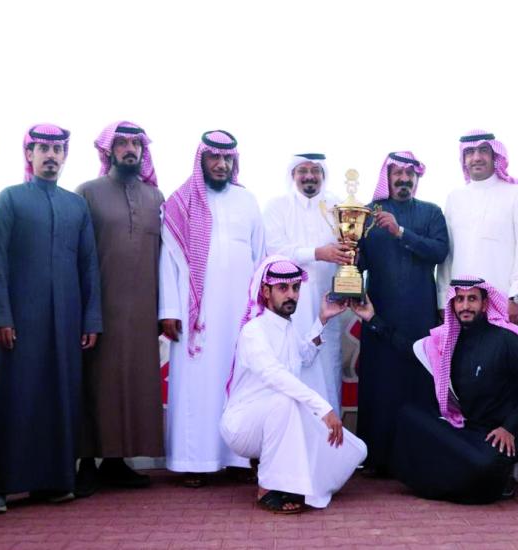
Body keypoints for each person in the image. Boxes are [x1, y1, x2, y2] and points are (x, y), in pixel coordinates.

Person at [0, 124, 102, 512]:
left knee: (60, 399)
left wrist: (91, 319)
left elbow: (88, 265)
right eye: (44, 149)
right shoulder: (10, 198)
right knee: (15, 398)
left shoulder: (76, 205)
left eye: (58, 149)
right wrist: (1, 317)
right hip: (20, 321)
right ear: (29, 154)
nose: (51, 155)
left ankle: (53, 482)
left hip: (67, 321)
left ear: (65, 156)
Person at [351, 277, 518, 503]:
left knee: (484, 464)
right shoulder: (448, 343)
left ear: (485, 304)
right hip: (468, 432)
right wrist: (372, 319)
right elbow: (408, 349)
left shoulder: (506, 340)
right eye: (460, 299)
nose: (465, 306)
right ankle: (475, 480)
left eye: (472, 299)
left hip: (502, 437)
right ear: (452, 304)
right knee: (408, 417)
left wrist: (510, 428)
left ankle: (486, 478)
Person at [159, 130, 265, 487]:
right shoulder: (180, 202)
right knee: (197, 387)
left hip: (240, 313)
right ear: (201, 159)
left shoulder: (247, 200)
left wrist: (261, 308)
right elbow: (168, 261)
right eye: (214, 157)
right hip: (197, 315)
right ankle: (194, 462)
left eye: (227, 158)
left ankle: (238, 457)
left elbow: (260, 256)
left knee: (239, 382)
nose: (221, 164)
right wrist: (169, 310)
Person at [221, 256, 366, 513]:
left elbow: (305, 356)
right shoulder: (254, 331)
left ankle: (292, 479)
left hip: (277, 418)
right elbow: (275, 375)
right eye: (283, 288)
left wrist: (322, 319)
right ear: (266, 292)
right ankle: (267, 487)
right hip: (242, 425)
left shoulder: (287, 328)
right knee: (286, 401)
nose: (291, 295)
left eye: (296, 288)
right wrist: (323, 408)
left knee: (355, 450)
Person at [74, 122, 165, 496]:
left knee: (130, 384)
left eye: (136, 144)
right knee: (95, 383)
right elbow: (78, 255)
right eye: (122, 143)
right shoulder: (88, 192)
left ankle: (115, 462)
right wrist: (85, 311)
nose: (130, 149)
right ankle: (85, 463)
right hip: (100, 309)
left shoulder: (156, 197)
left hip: (143, 311)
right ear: (108, 150)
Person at [354, 151, 448, 475]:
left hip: (420, 316)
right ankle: (377, 459)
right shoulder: (368, 213)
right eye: (398, 174)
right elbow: (359, 263)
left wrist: (401, 233)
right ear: (388, 177)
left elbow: (439, 251)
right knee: (380, 384)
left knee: (416, 384)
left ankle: (415, 458)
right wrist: (351, 260)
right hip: (379, 314)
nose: (404, 180)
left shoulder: (431, 212)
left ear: (417, 179)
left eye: (410, 175)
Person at [262, 153, 350, 413]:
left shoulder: (338, 207)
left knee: (327, 371)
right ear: (293, 174)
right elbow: (274, 249)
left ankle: (329, 435)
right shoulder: (277, 206)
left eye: (315, 170)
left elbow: (350, 247)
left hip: (329, 307)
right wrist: (317, 253)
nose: (309, 176)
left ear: (323, 174)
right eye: (303, 170)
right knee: (293, 369)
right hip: (290, 309)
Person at [437, 130, 518, 326]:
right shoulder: (455, 197)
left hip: (505, 302)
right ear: (463, 159)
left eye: (483, 150)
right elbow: (448, 255)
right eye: (470, 152)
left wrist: (517, 296)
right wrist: (443, 299)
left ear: (494, 156)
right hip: (462, 305)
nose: (476, 158)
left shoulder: (517, 194)